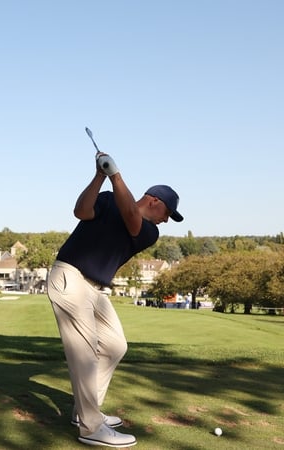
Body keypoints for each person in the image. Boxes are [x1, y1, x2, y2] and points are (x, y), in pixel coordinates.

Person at [47, 150, 183, 448]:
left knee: (114, 344)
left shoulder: (148, 232)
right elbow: (81, 211)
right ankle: (91, 426)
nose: (166, 221)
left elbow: (132, 218)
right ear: (155, 201)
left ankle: (84, 410)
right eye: (167, 215)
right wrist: (99, 176)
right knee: (83, 353)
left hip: (93, 289)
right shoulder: (108, 198)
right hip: (69, 277)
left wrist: (115, 174)